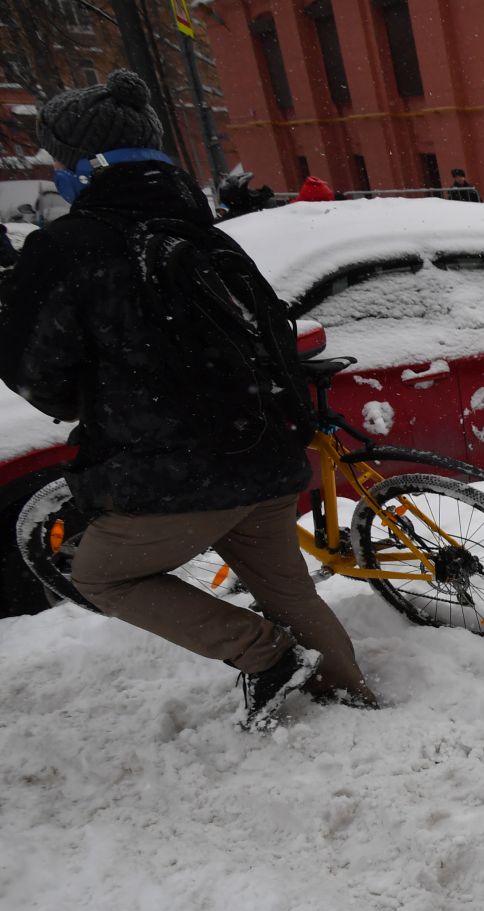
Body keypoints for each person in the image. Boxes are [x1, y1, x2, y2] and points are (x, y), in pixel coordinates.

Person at [0, 70, 374, 728]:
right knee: (289, 592)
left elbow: (37, 378)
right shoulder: (211, 238)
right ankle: (353, 706)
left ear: (79, 169)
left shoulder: (66, 250)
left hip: (171, 479)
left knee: (102, 574)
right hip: (263, 457)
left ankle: (265, 656)